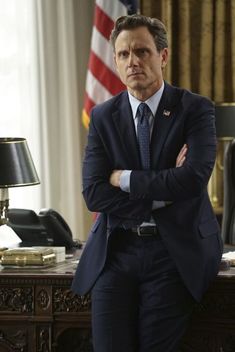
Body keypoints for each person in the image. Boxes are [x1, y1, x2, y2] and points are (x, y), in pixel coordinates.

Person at [72, 14, 223, 352]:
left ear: (163, 56)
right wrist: (163, 194)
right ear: (115, 61)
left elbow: (193, 180)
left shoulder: (195, 110)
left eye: (142, 51)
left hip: (174, 250)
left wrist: (123, 178)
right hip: (117, 249)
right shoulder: (102, 115)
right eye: (124, 55)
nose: (133, 62)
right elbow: (94, 193)